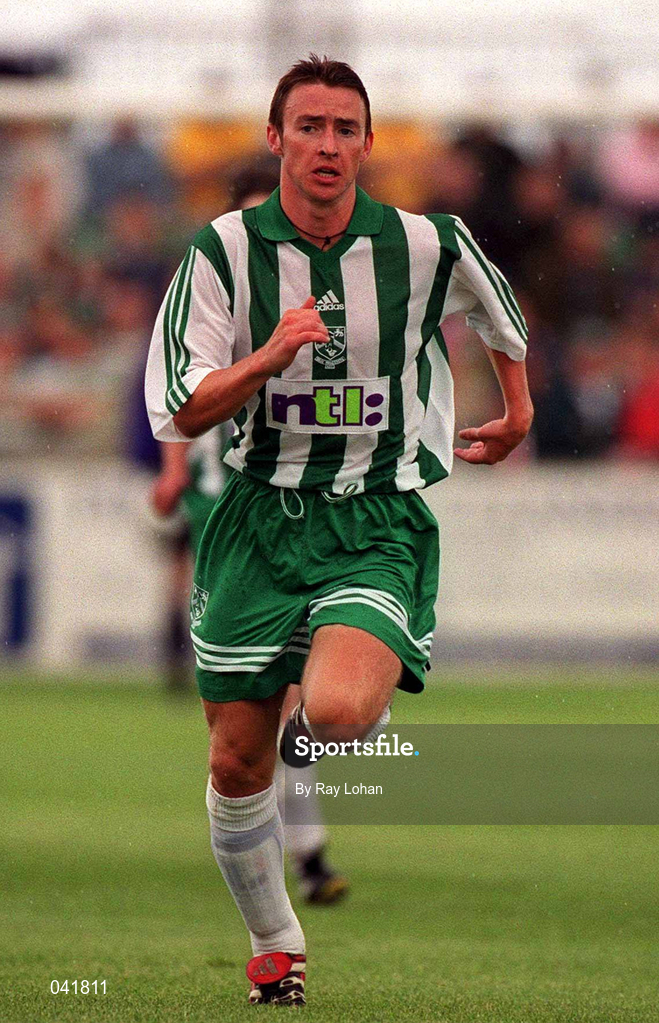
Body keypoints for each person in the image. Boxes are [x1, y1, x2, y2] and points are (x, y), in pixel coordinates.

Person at [145, 55, 533, 1007]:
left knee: (336, 715)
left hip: (372, 516)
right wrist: (272, 351)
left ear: (367, 142)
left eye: (345, 128)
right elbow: (183, 408)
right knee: (237, 758)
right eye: (308, 126)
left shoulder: (423, 241)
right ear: (276, 139)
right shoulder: (222, 253)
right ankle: (275, 938)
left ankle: (353, 681)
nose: (327, 144)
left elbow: (500, 312)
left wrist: (516, 408)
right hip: (252, 521)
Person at [150, 168, 351, 905]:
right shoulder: (209, 281)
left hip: (293, 510)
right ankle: (279, 846)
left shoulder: (316, 293)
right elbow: (178, 395)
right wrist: (173, 470)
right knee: (241, 722)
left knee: (298, 702)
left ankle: (307, 852)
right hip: (222, 509)